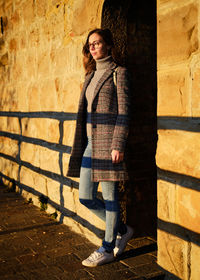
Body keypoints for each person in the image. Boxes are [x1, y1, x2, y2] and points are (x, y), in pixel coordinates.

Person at [67, 28, 133, 267]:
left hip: (108, 144)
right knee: (85, 196)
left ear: (107, 45)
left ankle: (106, 247)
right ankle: (122, 230)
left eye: (97, 43)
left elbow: (124, 112)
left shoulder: (119, 73)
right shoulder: (90, 75)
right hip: (89, 145)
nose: (93, 47)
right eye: (90, 45)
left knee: (110, 196)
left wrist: (118, 144)